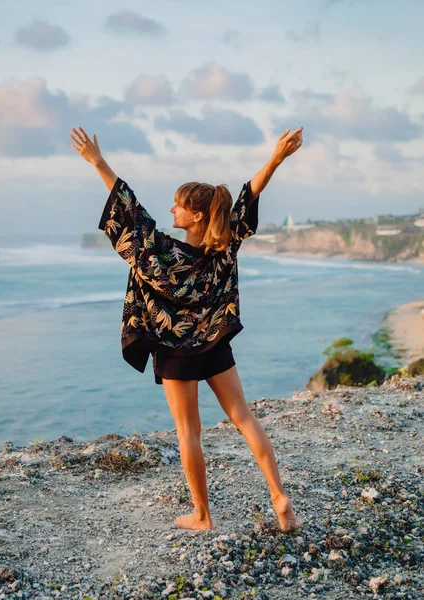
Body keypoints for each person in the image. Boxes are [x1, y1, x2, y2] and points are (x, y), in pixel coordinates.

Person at [70, 124, 304, 532]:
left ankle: (202, 515)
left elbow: (128, 210)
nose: (172, 210)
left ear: (196, 214)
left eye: (179, 205)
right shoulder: (224, 244)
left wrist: (98, 162)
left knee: (188, 432)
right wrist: (278, 157)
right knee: (245, 418)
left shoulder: (159, 249)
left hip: (175, 349)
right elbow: (250, 195)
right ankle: (279, 497)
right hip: (214, 341)